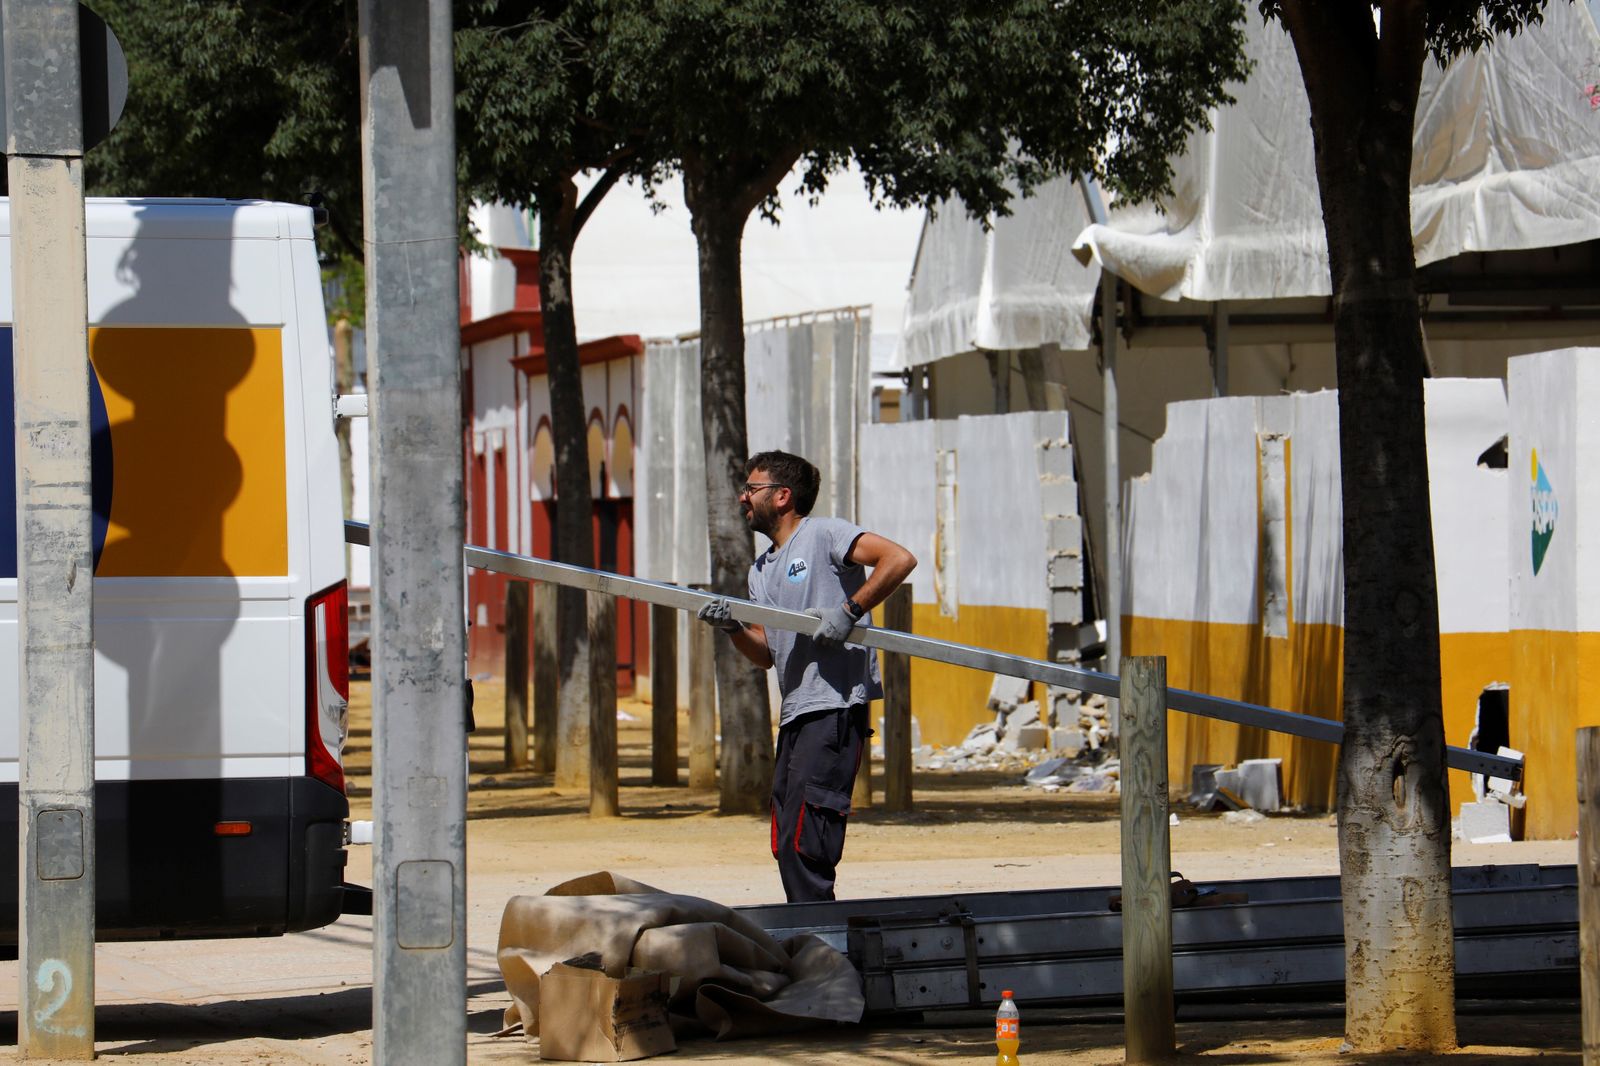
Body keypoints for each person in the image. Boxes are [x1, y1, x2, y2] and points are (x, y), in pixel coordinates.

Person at [697, 450, 916, 902]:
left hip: (834, 709)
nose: (743, 497)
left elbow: (899, 558)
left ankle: (824, 946)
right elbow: (767, 655)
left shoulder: (824, 535)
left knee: (806, 839)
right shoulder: (762, 570)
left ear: (782, 496)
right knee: (785, 837)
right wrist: (734, 628)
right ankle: (814, 939)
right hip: (797, 712)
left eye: (751, 489)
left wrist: (850, 610)